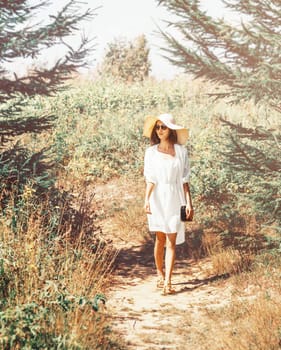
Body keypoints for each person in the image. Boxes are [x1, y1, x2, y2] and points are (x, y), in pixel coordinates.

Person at [143, 113, 193, 295]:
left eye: (163, 127)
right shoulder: (150, 152)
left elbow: (185, 180)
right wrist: (146, 200)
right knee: (160, 238)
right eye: (157, 127)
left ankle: (168, 282)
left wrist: (188, 203)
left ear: (170, 129)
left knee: (172, 238)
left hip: (176, 196)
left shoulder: (181, 151)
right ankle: (159, 273)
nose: (160, 130)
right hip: (157, 196)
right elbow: (150, 179)